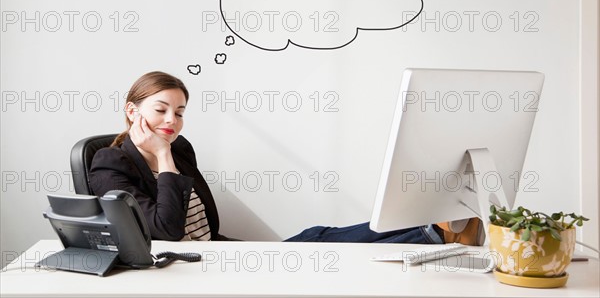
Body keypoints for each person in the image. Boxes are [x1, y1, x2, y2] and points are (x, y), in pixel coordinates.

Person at [89, 71, 482, 244]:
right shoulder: (110, 164)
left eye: (179, 112)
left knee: (316, 237)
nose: (172, 121)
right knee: (315, 245)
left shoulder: (179, 148)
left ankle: (433, 228)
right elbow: (164, 232)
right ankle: (434, 231)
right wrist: (162, 157)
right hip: (186, 268)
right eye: (161, 110)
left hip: (216, 253)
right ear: (131, 110)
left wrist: (167, 153)